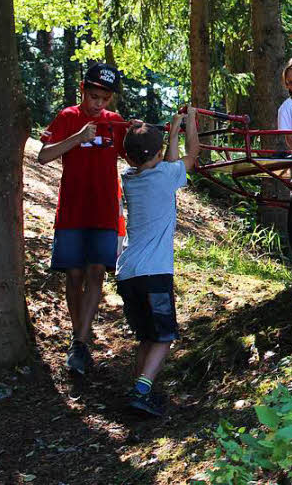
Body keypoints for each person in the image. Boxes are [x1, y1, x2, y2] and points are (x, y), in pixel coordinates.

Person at [38, 63, 130, 375]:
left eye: (104, 99)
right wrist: (77, 137)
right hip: (72, 209)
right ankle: (79, 341)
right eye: (93, 96)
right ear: (82, 90)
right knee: (73, 275)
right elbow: (44, 155)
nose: (98, 104)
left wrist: (140, 133)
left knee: (95, 273)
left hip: (104, 208)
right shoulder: (67, 117)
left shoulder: (114, 122)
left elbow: (133, 156)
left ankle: (80, 340)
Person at [116, 105, 200, 417]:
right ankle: (141, 390)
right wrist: (188, 123)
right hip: (154, 273)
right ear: (159, 152)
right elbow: (193, 153)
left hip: (127, 273)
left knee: (146, 336)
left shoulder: (129, 178)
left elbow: (166, 160)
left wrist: (171, 132)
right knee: (164, 337)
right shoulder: (166, 176)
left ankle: (140, 389)